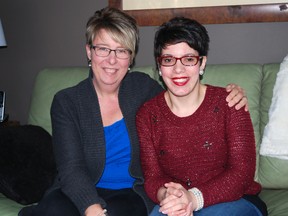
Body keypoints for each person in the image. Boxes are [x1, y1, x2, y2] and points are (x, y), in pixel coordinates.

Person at [19, 7, 248, 216]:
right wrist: (91, 208)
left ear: (131, 57)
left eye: (121, 51)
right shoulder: (67, 102)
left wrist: (231, 92)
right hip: (77, 189)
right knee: (55, 212)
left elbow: (182, 94)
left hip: (129, 193)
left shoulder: (143, 88)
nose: (112, 60)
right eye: (103, 49)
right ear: (89, 51)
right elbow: (71, 169)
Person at [136, 17, 268, 216]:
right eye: (169, 60)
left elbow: (242, 174)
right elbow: (153, 177)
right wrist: (166, 195)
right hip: (179, 203)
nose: (178, 69)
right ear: (159, 66)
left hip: (235, 200)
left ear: (202, 63)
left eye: (189, 59)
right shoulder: (147, 115)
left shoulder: (230, 103)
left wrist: (194, 198)